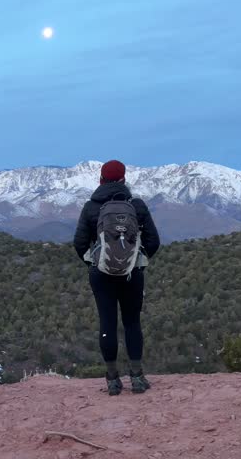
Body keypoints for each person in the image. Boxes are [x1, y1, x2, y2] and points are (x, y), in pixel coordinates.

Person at [73, 160, 160, 395]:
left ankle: (112, 380)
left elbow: (79, 243)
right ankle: (138, 378)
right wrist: (136, 262)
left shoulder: (91, 207)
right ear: (123, 179)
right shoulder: (137, 205)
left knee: (107, 323)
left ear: (101, 179)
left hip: (101, 275)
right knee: (132, 323)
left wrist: (95, 263)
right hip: (133, 275)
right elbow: (153, 241)